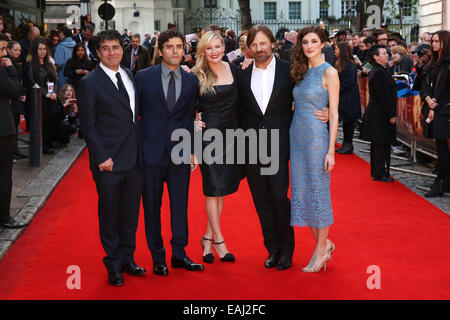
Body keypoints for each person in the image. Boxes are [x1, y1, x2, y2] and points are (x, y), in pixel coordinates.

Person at [235, 25, 329, 271]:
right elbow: (235, 110)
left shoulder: (290, 71)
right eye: (254, 45)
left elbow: (313, 90)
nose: (259, 48)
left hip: (279, 145)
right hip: (251, 145)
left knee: (278, 197)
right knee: (261, 201)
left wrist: (327, 108)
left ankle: (287, 251)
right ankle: (272, 249)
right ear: (249, 49)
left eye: (263, 43)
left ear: (273, 45)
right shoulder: (241, 75)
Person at [78, 30, 146, 286]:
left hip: (134, 158)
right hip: (108, 162)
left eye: (116, 47)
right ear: (97, 53)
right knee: (110, 214)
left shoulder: (129, 75)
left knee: (130, 213)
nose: (111, 52)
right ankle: (113, 264)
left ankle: (128, 258)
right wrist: (101, 157)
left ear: (122, 48)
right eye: (105, 48)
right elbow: (88, 125)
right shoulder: (90, 82)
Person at [135, 29, 204, 277]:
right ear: (161, 50)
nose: (176, 51)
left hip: (180, 153)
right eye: (170, 47)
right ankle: (158, 257)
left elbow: (192, 117)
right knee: (152, 207)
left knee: (179, 206)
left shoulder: (191, 80)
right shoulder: (143, 77)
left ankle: (179, 254)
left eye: (179, 46)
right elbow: (135, 117)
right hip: (150, 153)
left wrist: (194, 149)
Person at [289, 26, 339, 273]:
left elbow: (335, 112)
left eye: (314, 41)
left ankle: (320, 251)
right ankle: (325, 243)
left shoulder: (329, 72)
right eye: (305, 42)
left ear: (323, 44)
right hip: (296, 138)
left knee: (319, 193)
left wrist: (331, 151)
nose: (309, 46)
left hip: (317, 141)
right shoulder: (300, 71)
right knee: (302, 194)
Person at [192, 31, 240, 263]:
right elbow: (184, 106)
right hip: (208, 137)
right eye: (209, 48)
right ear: (203, 50)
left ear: (224, 46)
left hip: (231, 135)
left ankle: (207, 238)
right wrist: (192, 121)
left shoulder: (234, 68)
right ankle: (220, 242)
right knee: (212, 188)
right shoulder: (196, 74)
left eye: (217, 46)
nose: (214, 51)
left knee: (221, 189)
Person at [0, 33, 29, 229]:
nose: (5, 54)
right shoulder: (2, 69)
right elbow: (15, 92)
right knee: (4, 176)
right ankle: (4, 217)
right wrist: (10, 69)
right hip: (3, 130)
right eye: (2, 49)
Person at [420, 30, 450, 197]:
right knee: (440, 146)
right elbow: (424, 85)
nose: (433, 44)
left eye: (437, 41)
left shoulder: (447, 63)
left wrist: (436, 103)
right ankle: (442, 180)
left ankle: (441, 181)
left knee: (444, 148)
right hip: (434, 109)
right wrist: (427, 98)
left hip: (444, 111)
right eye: (432, 41)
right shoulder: (433, 64)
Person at [362, 44, 397, 183]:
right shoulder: (378, 72)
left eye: (386, 53)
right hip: (380, 115)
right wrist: (391, 115)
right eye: (383, 53)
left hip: (379, 113)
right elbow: (384, 97)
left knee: (380, 144)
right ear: (376, 57)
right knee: (380, 144)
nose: (386, 55)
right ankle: (379, 172)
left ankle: (379, 171)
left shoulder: (381, 70)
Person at [24, 37, 62, 154]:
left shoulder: (49, 64)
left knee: (55, 117)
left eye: (44, 49)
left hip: (51, 97)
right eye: (40, 49)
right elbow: (31, 82)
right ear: (35, 50)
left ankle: (47, 142)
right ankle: (41, 146)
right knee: (41, 123)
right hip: (38, 99)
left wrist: (54, 92)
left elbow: (56, 80)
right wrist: (46, 94)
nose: (42, 51)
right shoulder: (30, 64)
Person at [333, 41, 361, 154]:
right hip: (344, 98)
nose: (335, 52)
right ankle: (346, 143)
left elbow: (347, 83)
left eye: (336, 49)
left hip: (349, 98)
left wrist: (334, 88)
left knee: (349, 122)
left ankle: (348, 144)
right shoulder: (341, 63)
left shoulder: (349, 65)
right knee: (345, 123)